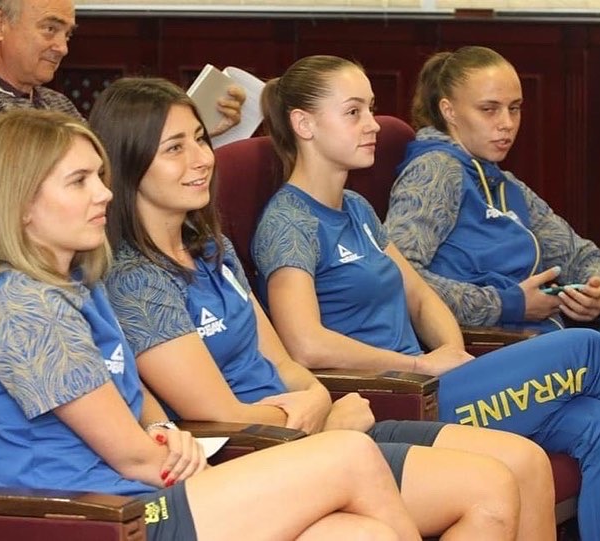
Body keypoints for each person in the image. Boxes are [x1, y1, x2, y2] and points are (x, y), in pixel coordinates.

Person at [91, 76, 551, 540]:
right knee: (474, 496)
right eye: (175, 148)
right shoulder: (136, 280)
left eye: (199, 139)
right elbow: (221, 413)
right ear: (130, 164)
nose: (201, 159)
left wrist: (316, 399)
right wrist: (318, 415)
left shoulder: (214, 247)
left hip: (307, 427)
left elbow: (285, 363)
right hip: (258, 450)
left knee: (515, 469)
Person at [0, 107, 427, 541]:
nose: (104, 193)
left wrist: (162, 428)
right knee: (351, 456)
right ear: (22, 204)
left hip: (139, 494)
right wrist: (234, 473)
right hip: (102, 519)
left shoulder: (76, 277)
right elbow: (133, 457)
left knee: (363, 533)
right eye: (79, 181)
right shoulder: (24, 306)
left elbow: (133, 396)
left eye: (100, 176)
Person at [252, 54, 600, 540]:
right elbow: (305, 344)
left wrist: (451, 350)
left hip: (433, 384)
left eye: (370, 108)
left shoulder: (356, 207)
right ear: (304, 124)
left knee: (594, 423)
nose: (374, 124)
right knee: (587, 349)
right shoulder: (289, 222)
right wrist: (418, 366)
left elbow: (419, 295)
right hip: (391, 399)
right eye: (354, 112)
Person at [385, 45, 600, 334]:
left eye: (514, 108)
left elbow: (578, 255)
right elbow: (397, 275)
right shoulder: (436, 170)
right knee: (587, 344)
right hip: (484, 346)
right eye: (489, 110)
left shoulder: (503, 183)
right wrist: (508, 304)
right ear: (449, 111)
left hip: (543, 338)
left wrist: (594, 289)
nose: (507, 124)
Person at [0, 0, 246, 169]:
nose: (62, 47)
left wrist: (191, 134)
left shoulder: (56, 102)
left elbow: (108, 168)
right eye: (50, 29)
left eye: (67, 34)